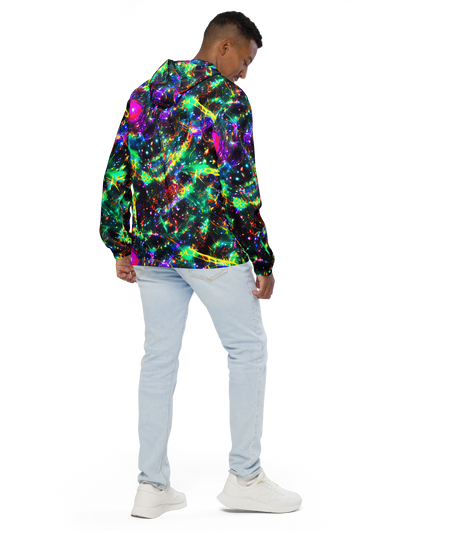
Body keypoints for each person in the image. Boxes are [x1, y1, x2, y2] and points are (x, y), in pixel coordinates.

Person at [97, 7, 304, 520]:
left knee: (158, 361)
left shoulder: (145, 89)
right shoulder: (227, 99)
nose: (247, 74)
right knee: (248, 349)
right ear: (224, 46)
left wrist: (118, 244)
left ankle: (151, 487)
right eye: (247, 62)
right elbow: (242, 182)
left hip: (153, 251)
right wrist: (264, 257)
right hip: (211, 249)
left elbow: (116, 168)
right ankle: (245, 477)